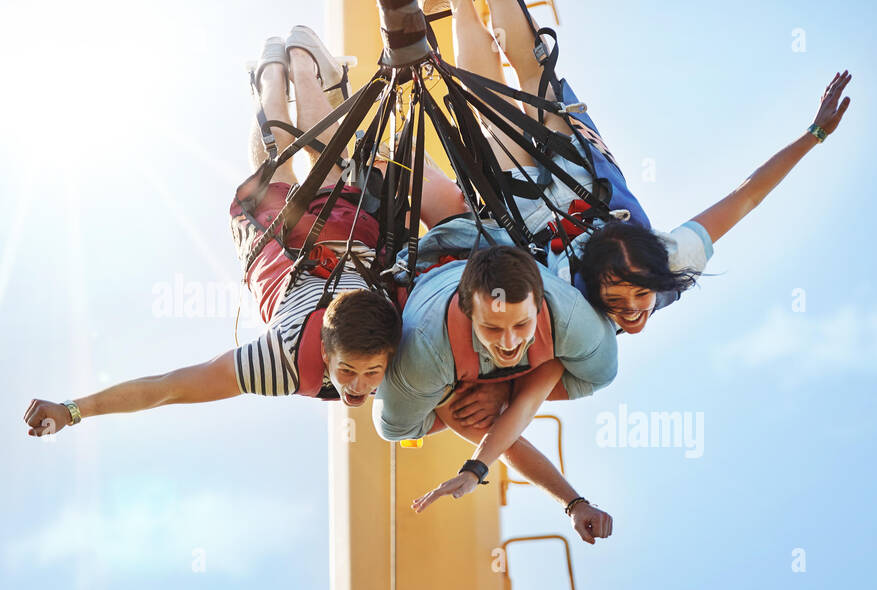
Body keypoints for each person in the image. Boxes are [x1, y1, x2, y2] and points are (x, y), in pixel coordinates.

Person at [18, 24, 613, 543]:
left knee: (277, 152)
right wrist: (76, 410)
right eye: (349, 373)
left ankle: (277, 79)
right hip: (333, 233)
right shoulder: (285, 360)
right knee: (318, 149)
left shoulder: (395, 347)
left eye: (366, 374)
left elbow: (484, 423)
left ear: (390, 359)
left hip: (284, 232)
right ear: (325, 355)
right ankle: (304, 72)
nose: (356, 386)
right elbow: (172, 386)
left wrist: (75, 410)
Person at [447, 0, 852, 334]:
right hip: (581, 168)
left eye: (620, 297)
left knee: (486, 105)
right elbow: (746, 197)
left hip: (531, 208)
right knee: (536, 74)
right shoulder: (673, 261)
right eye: (639, 295)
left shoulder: (574, 310)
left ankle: (460, 5)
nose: (632, 309)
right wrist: (814, 133)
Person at [372, 213, 619, 510]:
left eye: (521, 325)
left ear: (540, 307)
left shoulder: (571, 322)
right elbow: (394, 426)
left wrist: (503, 389)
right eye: (492, 328)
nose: (509, 343)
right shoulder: (425, 353)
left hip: (500, 240)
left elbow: (521, 411)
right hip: (436, 259)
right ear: (468, 315)